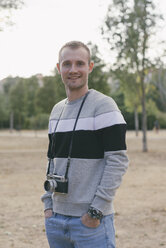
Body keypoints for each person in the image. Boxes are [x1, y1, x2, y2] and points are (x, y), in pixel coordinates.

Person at [41, 41, 129, 248]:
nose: (73, 70)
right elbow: (51, 161)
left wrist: (95, 211)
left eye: (79, 63)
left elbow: (118, 160)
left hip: (90, 223)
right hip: (56, 219)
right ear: (58, 68)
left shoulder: (104, 106)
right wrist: (48, 204)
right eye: (67, 64)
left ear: (90, 67)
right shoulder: (56, 111)